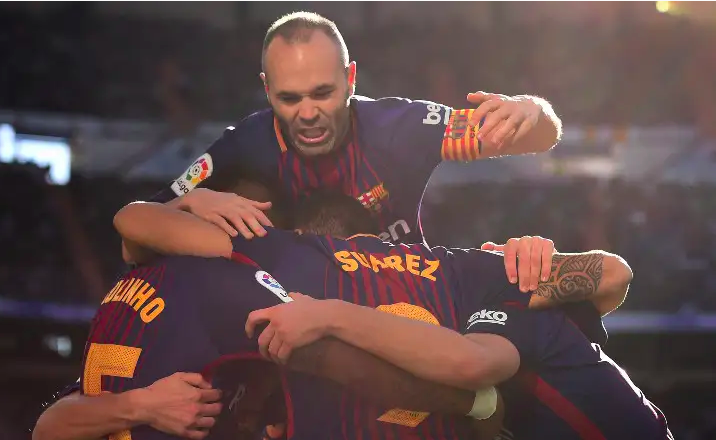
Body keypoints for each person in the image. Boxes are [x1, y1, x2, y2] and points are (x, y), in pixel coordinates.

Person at [115, 178, 669, 439]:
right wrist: (535, 257)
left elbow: (134, 222)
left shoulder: (288, 256)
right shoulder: (464, 266)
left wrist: (190, 201)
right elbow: (615, 275)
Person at [125, 11, 562, 292]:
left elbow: (538, 137)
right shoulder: (244, 144)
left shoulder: (402, 127)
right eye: (289, 99)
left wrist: (531, 109)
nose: (308, 114)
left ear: (350, 79)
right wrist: (189, 201)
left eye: (323, 93)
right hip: (297, 319)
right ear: (266, 90)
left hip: (409, 300)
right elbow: (134, 240)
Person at [34, 182, 507, 440]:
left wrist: (135, 406)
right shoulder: (233, 281)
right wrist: (475, 405)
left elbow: (48, 427)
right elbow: (337, 361)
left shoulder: (153, 279)